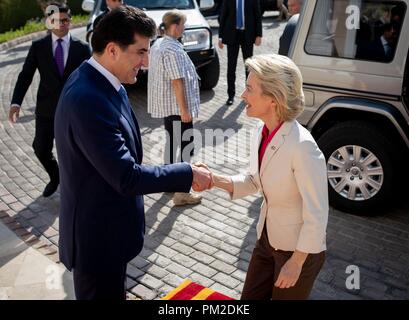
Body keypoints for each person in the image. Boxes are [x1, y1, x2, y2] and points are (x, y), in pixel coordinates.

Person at [54, 6, 213, 300]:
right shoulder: (87, 98)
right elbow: (126, 175)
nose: (147, 62)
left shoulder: (107, 82)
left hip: (111, 237)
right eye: (140, 52)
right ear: (113, 50)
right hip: (97, 245)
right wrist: (186, 172)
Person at [209, 54, 328, 300]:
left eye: (249, 89)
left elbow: (317, 214)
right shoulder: (261, 131)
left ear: (273, 99)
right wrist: (212, 179)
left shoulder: (302, 146)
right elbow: (254, 181)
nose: (242, 95)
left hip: (298, 251)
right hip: (266, 240)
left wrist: (296, 263)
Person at [9, 3, 91, 197]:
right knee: (40, 148)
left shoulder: (82, 49)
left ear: (70, 21)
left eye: (65, 20)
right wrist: (16, 102)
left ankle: (74, 187)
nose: (61, 24)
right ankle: (56, 177)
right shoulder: (38, 47)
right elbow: (25, 75)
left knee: (74, 152)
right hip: (46, 109)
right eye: (56, 21)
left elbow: (92, 77)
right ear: (49, 22)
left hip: (73, 111)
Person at [148, 10, 202, 206]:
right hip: (177, 107)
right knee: (187, 146)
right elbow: (177, 82)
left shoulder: (159, 44)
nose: (185, 28)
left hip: (168, 106)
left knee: (172, 144)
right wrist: (185, 110)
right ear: (175, 26)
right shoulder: (171, 49)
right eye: (183, 24)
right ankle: (181, 192)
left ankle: (169, 182)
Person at [218, 0, 263, 105]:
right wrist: (221, 37)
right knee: (231, 67)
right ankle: (230, 96)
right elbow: (223, 17)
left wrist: (259, 35)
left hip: (248, 36)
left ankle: (249, 94)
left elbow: (257, 16)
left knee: (249, 67)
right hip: (232, 36)